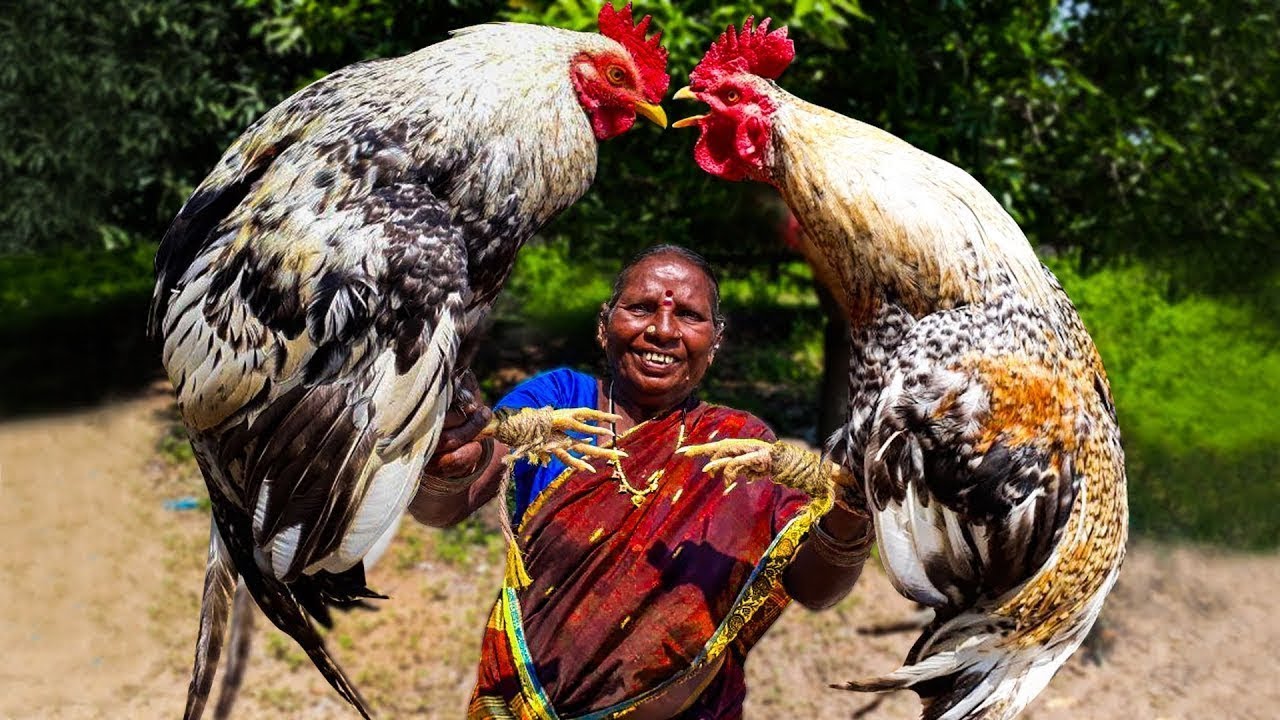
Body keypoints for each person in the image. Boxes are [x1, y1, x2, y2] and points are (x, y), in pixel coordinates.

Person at [408, 245, 874, 719]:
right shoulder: (559, 400)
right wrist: (451, 460)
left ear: (714, 342)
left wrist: (851, 512)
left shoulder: (741, 447)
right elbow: (439, 509)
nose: (663, 330)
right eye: (641, 308)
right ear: (603, 323)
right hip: (522, 706)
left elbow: (815, 589)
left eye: (689, 315)